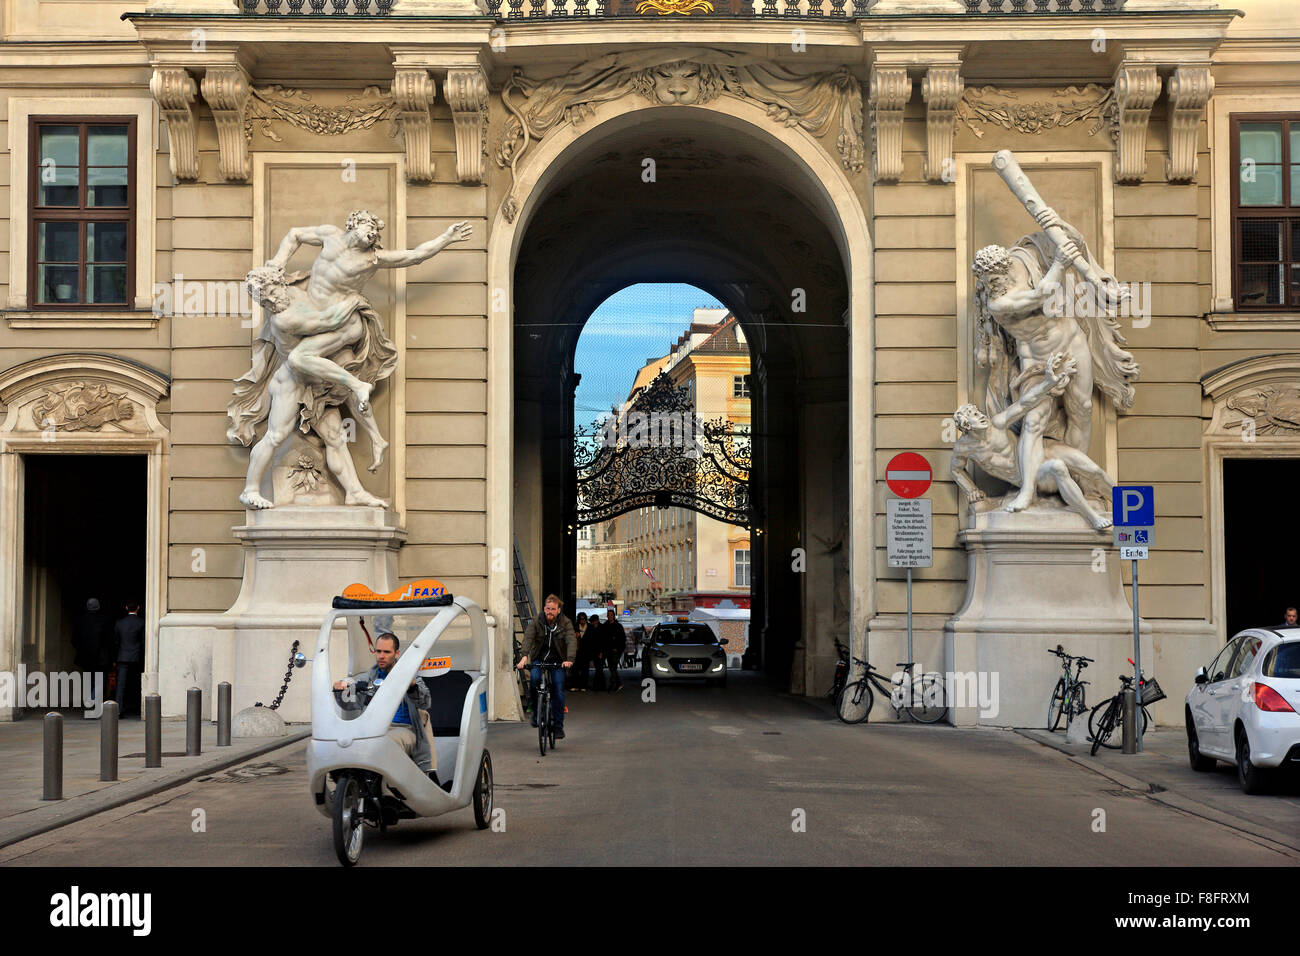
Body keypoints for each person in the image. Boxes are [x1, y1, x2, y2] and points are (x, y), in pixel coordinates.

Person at [332, 625, 442, 785]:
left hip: (404, 729)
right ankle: (349, 784)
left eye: (386, 652)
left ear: (397, 653)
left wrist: (412, 687)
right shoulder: (369, 677)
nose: (381, 656)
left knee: (385, 742)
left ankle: (387, 790)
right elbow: (350, 705)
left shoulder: (409, 674)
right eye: (378, 651)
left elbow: (425, 702)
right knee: (342, 743)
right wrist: (340, 691)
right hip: (374, 729)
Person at [515, 594, 574, 737]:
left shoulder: (565, 623)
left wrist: (569, 659)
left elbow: (571, 640)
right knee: (534, 680)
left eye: (553, 609)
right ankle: (536, 712)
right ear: (544, 608)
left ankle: (558, 726)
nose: (550, 611)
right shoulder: (537, 621)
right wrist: (524, 657)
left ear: (558, 610)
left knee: (558, 689)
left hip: (558, 661)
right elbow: (528, 638)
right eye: (548, 608)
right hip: (539, 659)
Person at [73, 598, 113, 712]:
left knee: (88, 681)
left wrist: (81, 649)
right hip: (101, 657)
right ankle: (93, 701)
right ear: (98, 607)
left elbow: (74, 639)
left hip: (86, 657)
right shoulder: (105, 620)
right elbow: (109, 640)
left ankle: (90, 701)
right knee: (100, 681)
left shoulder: (80, 621)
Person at [113, 601, 145, 717]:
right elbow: (143, 642)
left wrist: (115, 659)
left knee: (121, 685)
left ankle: (118, 710)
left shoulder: (119, 623)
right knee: (137, 683)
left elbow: (116, 642)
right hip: (136, 657)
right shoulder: (142, 622)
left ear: (126, 608)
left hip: (122, 657)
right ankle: (138, 708)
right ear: (138, 607)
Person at [602, 609, 625, 692]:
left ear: (614, 616)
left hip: (616, 650)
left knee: (613, 667)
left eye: (611, 615)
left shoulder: (618, 626)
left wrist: (617, 648)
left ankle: (613, 684)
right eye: (608, 615)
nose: (609, 616)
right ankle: (618, 683)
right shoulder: (605, 625)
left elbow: (622, 639)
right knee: (611, 668)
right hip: (608, 650)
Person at [570, 612, 590, 691]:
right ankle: (575, 685)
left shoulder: (589, 627)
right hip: (576, 651)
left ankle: (583, 686)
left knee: (585, 670)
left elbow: (592, 639)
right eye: (581, 619)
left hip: (586, 651)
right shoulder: (574, 627)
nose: (582, 620)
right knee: (575, 669)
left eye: (584, 619)